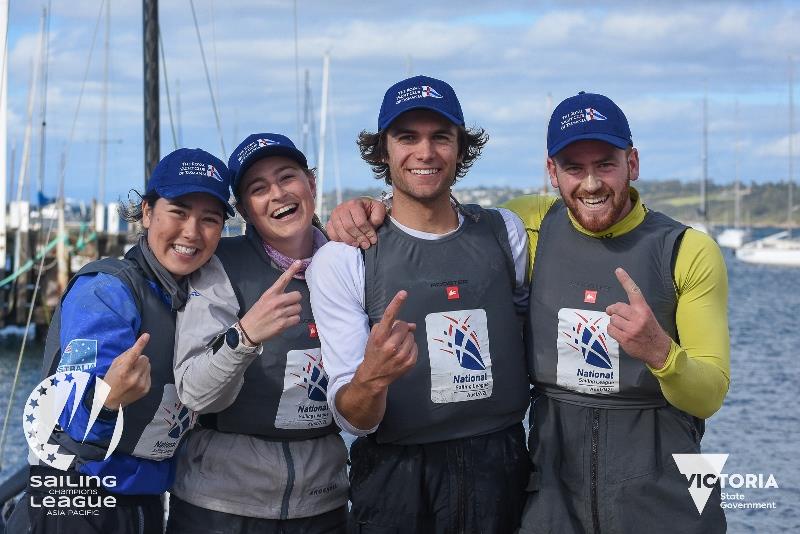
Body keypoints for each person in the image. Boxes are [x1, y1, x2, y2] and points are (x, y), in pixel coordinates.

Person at [325, 91, 731, 534]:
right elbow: (429, 212)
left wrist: (662, 354)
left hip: (663, 484)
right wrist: (362, 207)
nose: (591, 184)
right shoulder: (528, 225)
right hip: (551, 489)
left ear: (632, 163)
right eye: (574, 167)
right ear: (552, 171)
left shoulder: (688, 250)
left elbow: (709, 396)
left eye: (606, 164)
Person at [307, 75, 532, 533]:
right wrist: (371, 380)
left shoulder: (505, 233)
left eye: (440, 138)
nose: (425, 153)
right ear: (384, 150)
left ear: (460, 148)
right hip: (397, 476)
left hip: (502, 463)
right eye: (407, 138)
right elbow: (352, 418)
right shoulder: (343, 258)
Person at [6, 148, 234, 534]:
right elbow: (68, 420)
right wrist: (108, 400)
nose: (192, 232)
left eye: (209, 219)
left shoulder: (199, 297)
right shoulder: (106, 291)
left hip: (147, 500)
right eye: (178, 212)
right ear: (147, 212)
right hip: (80, 500)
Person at [166, 133, 348, 534]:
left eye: (288, 178)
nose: (278, 194)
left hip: (325, 503)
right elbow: (195, 393)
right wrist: (245, 336)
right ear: (244, 209)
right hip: (220, 507)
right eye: (258, 188)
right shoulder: (219, 268)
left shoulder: (351, 259)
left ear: (311, 184)